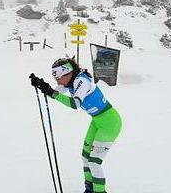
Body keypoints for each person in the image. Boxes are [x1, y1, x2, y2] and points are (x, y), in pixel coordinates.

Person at [29, 57, 122, 193]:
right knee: (85, 157)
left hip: (110, 122)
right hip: (97, 120)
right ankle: (90, 190)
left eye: (59, 78)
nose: (58, 81)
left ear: (68, 73)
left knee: (94, 162)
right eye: (56, 79)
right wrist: (43, 86)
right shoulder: (71, 81)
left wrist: (52, 92)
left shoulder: (81, 81)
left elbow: (75, 104)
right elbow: (57, 92)